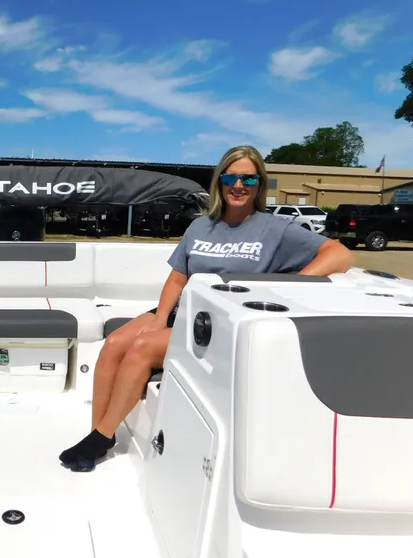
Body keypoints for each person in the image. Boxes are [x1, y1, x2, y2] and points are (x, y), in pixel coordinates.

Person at [59, 145, 355, 473]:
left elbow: (340, 254)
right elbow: (177, 279)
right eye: (231, 177)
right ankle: (97, 430)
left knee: (141, 349)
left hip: (216, 323)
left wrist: (290, 284)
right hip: (181, 310)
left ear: (259, 184)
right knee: (114, 343)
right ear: (220, 181)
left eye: (248, 178)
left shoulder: (274, 228)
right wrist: (159, 319)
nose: (238, 185)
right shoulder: (201, 226)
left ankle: (101, 437)